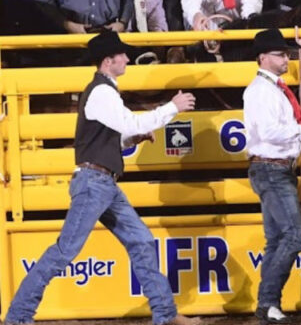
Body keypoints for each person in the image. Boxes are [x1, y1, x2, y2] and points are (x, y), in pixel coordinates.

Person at [1, 31, 200, 325]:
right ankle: (18, 316)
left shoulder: (103, 92)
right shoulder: (103, 92)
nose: (127, 59)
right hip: (96, 183)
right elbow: (128, 122)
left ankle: (165, 314)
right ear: (109, 61)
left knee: (141, 242)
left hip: (101, 182)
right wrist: (172, 107)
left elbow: (107, 138)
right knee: (65, 251)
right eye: (122, 55)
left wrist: (132, 139)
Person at [244, 28, 301, 325]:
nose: (286, 58)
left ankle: (267, 304)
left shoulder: (270, 89)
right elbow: (269, 132)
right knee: (296, 233)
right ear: (263, 58)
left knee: (277, 238)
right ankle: (268, 301)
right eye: (280, 54)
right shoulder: (261, 91)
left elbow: (273, 131)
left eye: (286, 54)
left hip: (273, 167)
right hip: (272, 168)